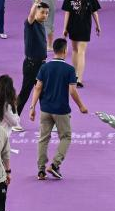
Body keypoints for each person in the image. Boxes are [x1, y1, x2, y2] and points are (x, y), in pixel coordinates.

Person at [28, 38, 89, 180]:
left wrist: (32, 107)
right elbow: (72, 91)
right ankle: (55, 164)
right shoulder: (69, 69)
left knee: (43, 138)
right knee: (66, 137)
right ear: (65, 50)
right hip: (61, 110)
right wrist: (81, 106)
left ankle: (41, 170)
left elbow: (38, 87)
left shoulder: (44, 67)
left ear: (54, 50)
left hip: (45, 109)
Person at [60, 0, 102, 87]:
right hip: (85, 27)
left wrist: (65, 28)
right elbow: (95, 12)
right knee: (81, 52)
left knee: (74, 50)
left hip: (73, 26)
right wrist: (98, 26)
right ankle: (79, 79)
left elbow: (67, 13)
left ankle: (74, 75)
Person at [17, 0, 50, 115]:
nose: (45, 15)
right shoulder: (30, 24)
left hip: (42, 65)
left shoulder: (41, 24)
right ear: (36, 12)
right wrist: (35, 4)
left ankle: (48, 119)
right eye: (42, 12)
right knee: (25, 93)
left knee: (44, 93)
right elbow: (31, 16)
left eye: (47, 13)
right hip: (31, 65)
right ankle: (14, 118)